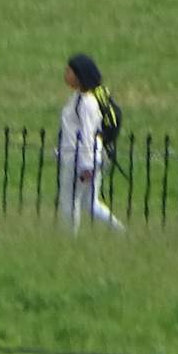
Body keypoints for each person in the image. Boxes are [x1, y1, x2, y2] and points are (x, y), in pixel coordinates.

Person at [57, 53, 121, 234]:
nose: (65, 74)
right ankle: (119, 231)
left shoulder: (87, 103)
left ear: (80, 75)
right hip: (78, 156)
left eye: (69, 71)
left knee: (69, 201)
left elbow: (88, 135)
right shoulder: (77, 98)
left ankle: (69, 237)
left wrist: (86, 165)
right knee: (89, 203)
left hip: (81, 160)